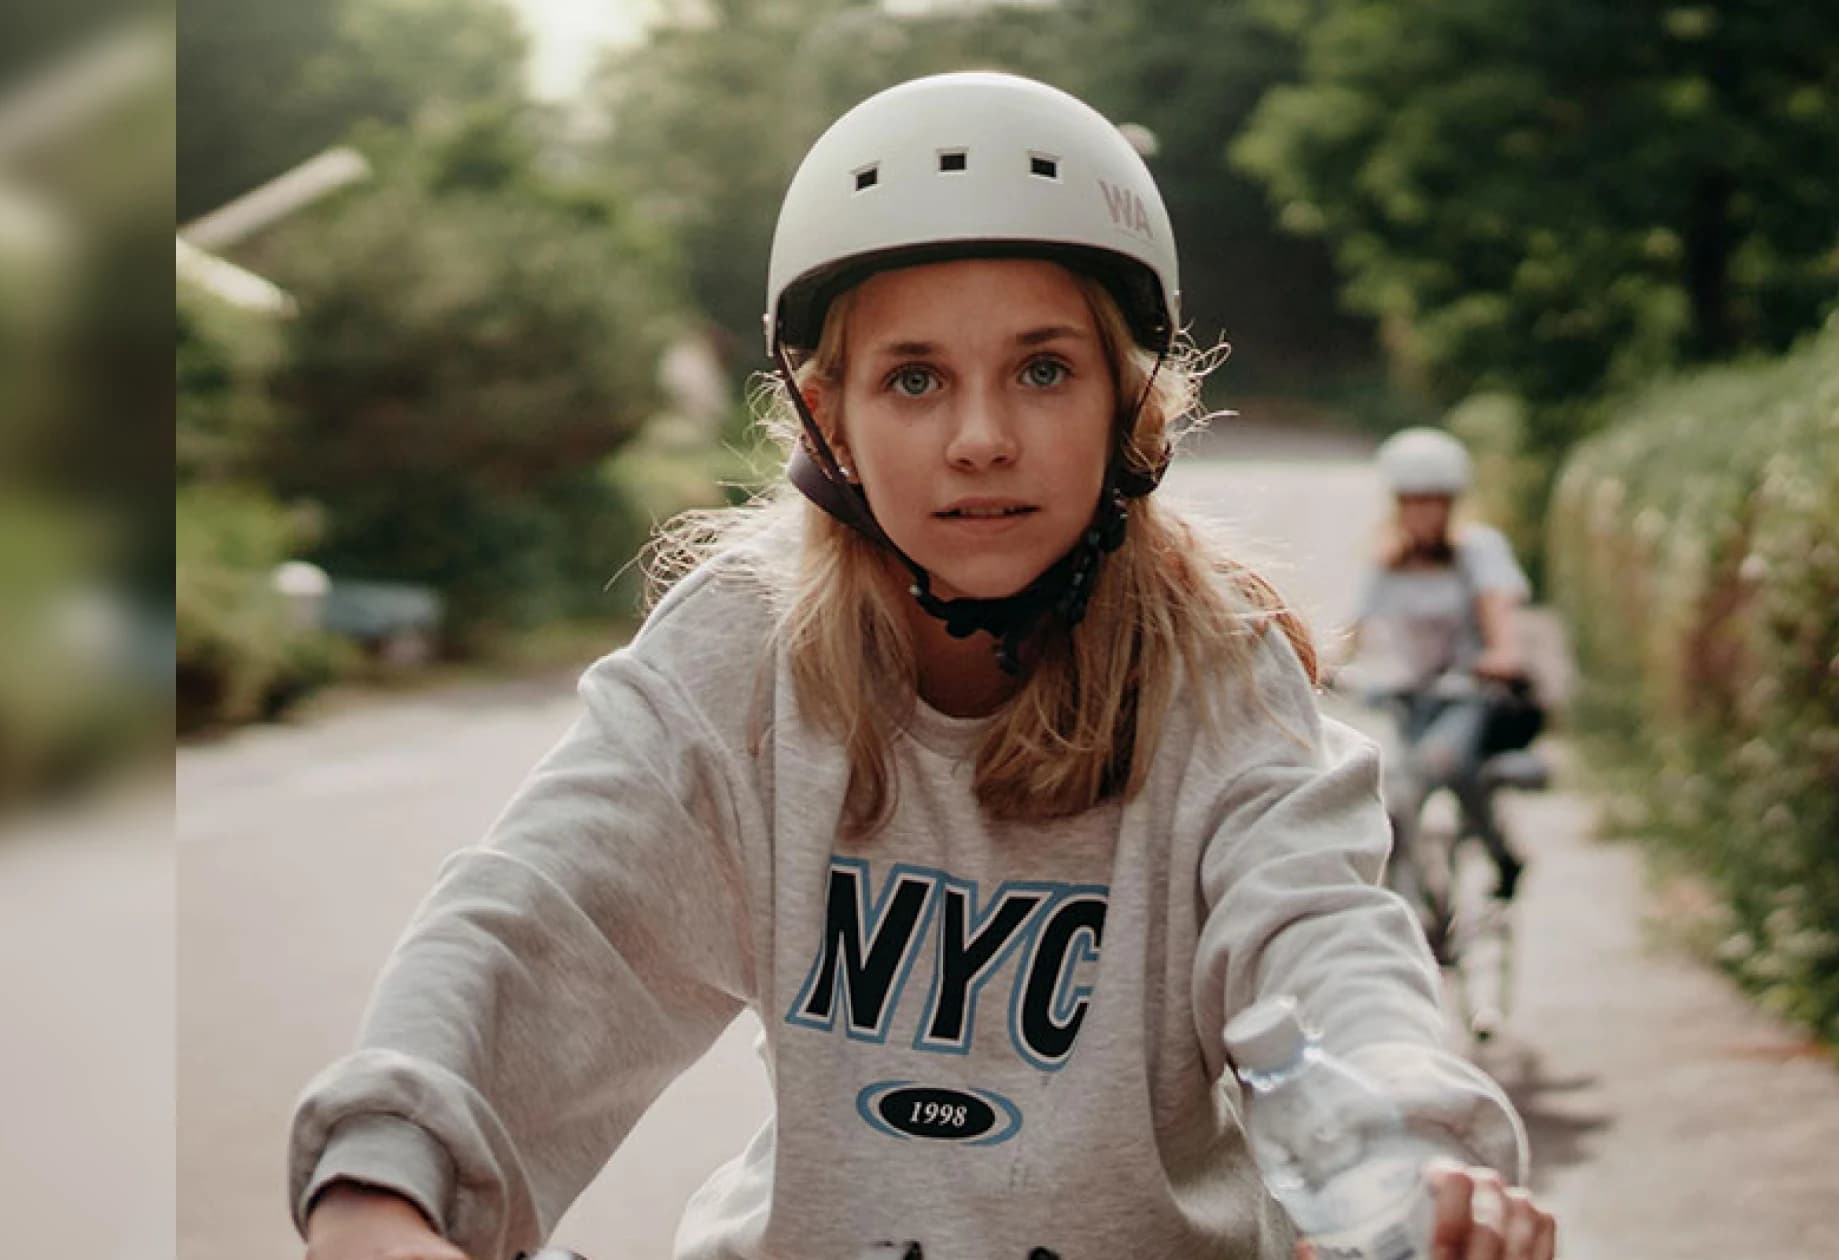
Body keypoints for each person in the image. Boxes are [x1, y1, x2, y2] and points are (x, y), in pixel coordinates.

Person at [290, 73, 1556, 1260]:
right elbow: (541, 913)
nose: (980, 438)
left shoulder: (1213, 672)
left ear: (1130, 406)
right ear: (828, 417)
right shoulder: (741, 651)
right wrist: (383, 1176)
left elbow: (1323, 948)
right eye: (913, 379)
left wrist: (1414, 1161)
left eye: (1043, 369)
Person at [1345, 428, 1540, 920]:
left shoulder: (1478, 551)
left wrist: (1501, 654)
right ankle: (1408, 905)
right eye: (1412, 501)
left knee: (1444, 764)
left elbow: (1500, 617)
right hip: (1415, 699)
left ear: (1452, 504)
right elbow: (1353, 634)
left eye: (1435, 501)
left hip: (1472, 695)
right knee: (1395, 796)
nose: (1423, 513)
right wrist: (1319, 667)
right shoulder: (1388, 563)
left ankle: (1503, 855)